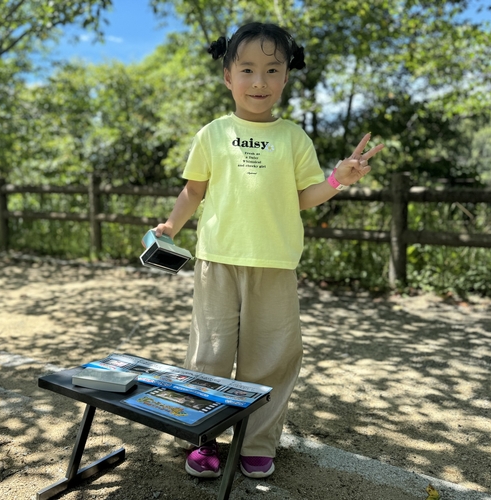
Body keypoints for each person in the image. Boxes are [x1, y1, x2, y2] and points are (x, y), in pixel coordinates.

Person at [153, 22, 384, 479]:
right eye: (248, 69)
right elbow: (193, 190)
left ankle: (257, 442)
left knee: (272, 356)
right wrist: (171, 225)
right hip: (217, 260)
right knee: (209, 354)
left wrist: (339, 179)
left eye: (272, 70)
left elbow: (302, 196)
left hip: (276, 263)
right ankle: (204, 440)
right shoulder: (213, 134)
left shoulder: (294, 138)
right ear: (227, 76)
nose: (259, 81)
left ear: (284, 78)